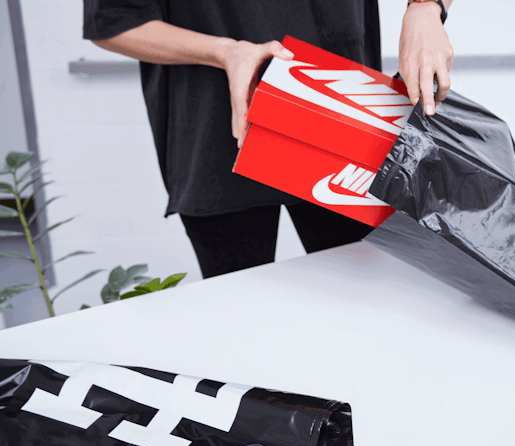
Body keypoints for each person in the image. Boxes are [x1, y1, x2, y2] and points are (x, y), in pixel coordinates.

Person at [83, 0, 454, 278]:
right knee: (243, 325)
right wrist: (225, 51)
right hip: (219, 127)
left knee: (375, 301)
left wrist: (426, 8)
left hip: (347, 116)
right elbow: (114, 20)